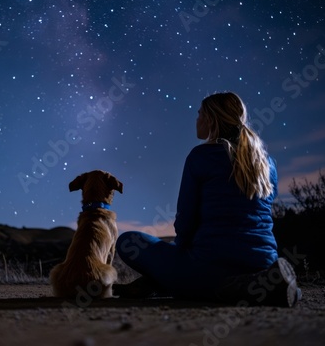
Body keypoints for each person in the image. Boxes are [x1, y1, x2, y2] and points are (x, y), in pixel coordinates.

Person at [114, 92, 301, 307]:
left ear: (211, 119)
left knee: (128, 241)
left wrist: (178, 254)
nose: (196, 120)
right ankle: (265, 285)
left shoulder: (200, 156)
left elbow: (185, 222)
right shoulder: (267, 163)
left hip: (210, 265)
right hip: (264, 262)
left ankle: (222, 287)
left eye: (199, 114)